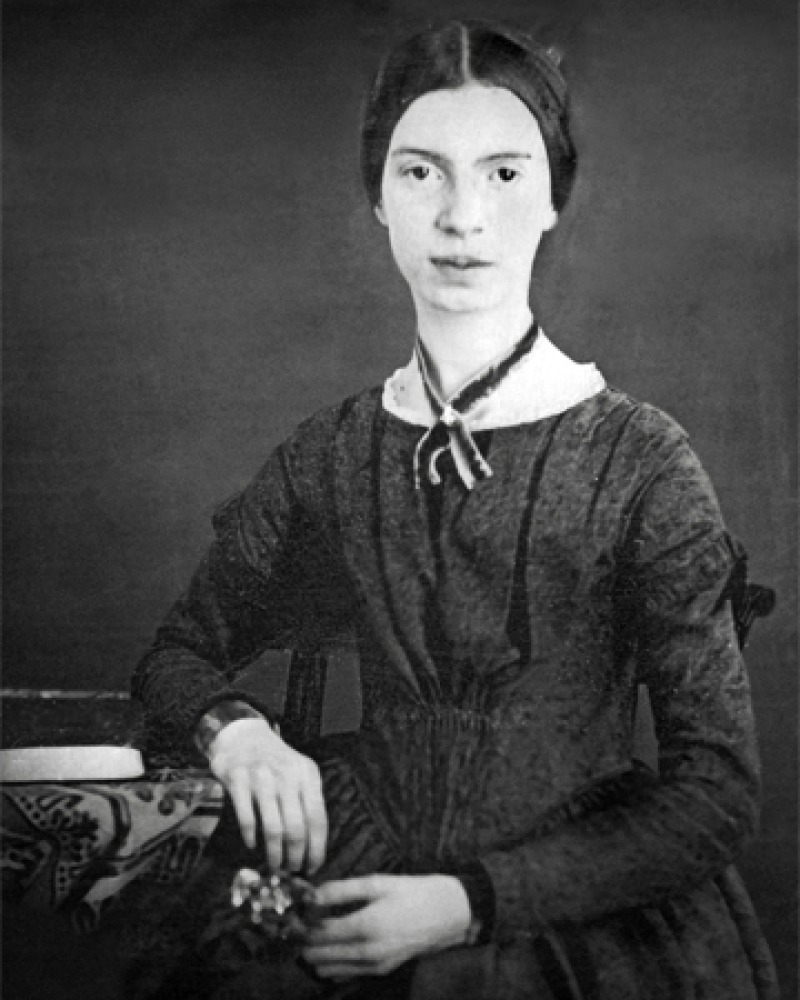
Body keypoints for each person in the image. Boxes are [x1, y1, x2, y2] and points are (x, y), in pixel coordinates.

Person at [132, 19, 779, 1000]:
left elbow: (714, 792)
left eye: (505, 173)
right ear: (378, 200)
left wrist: (467, 901)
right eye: (421, 172)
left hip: (568, 912)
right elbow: (177, 655)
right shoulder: (332, 452)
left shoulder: (641, 457)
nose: (462, 216)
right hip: (354, 864)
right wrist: (242, 734)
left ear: (553, 198)